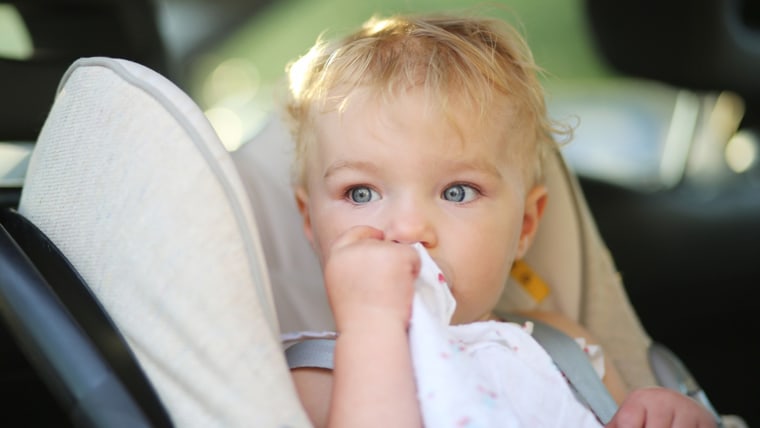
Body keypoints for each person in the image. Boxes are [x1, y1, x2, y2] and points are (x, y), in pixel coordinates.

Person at [282, 11, 717, 428]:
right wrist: (373, 325)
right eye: (361, 193)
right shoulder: (320, 379)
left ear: (525, 226)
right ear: (310, 221)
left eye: (457, 192)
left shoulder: (559, 347)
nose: (410, 228)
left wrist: (651, 413)